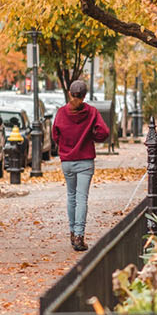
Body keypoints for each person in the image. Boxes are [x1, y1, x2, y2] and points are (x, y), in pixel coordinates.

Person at [51, 79, 110, 251]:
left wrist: (64, 145)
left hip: (67, 161)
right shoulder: (91, 112)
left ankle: (72, 232)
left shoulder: (62, 112)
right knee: (82, 197)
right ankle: (79, 235)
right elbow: (104, 132)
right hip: (85, 160)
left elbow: (55, 134)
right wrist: (92, 136)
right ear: (84, 96)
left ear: (70, 93)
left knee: (71, 196)